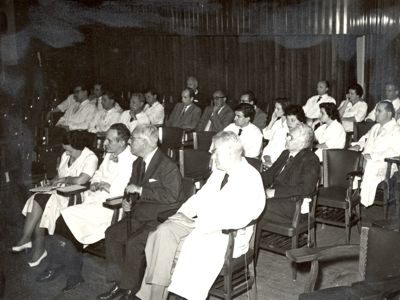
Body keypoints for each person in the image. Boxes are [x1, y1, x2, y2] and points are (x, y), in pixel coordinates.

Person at [136, 131, 265, 300]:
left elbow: (243, 216)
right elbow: (199, 197)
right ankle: (152, 296)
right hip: (199, 223)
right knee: (162, 232)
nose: (211, 156)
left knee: (171, 249)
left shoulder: (250, 177)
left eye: (214, 151)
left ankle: (158, 296)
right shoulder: (220, 172)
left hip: (224, 234)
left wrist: (196, 222)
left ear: (228, 152)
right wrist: (183, 213)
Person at [34, 124, 137, 292]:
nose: (105, 143)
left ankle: (63, 268)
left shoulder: (132, 160)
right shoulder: (110, 154)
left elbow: (121, 189)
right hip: (94, 200)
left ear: (122, 142)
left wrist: (106, 185)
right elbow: (97, 174)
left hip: (110, 207)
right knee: (63, 220)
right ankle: (67, 268)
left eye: (109, 140)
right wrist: (97, 183)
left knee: (64, 218)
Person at [97, 124, 184, 300]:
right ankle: (120, 283)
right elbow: (130, 188)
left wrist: (141, 191)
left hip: (158, 220)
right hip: (138, 215)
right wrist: (127, 201)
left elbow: (172, 196)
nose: (130, 142)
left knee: (134, 243)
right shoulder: (138, 163)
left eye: (133, 139)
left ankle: (130, 290)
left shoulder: (167, 165)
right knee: (112, 234)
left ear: (144, 143)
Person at [14, 131, 98, 267]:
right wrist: (51, 182)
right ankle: (33, 245)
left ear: (79, 147)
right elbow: (59, 176)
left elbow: (82, 180)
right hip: (57, 191)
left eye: (69, 151)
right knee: (38, 199)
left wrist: (65, 180)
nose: (67, 153)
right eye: (65, 150)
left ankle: (30, 242)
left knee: (40, 202)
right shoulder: (65, 155)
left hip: (74, 195)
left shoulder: (90, 158)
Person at [261, 123, 320, 223]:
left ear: (302, 143)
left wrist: (275, 193)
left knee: (253, 205)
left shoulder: (310, 159)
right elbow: (269, 175)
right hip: (277, 200)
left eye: (290, 137)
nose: (286, 138)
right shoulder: (286, 153)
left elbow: (306, 188)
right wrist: (252, 180)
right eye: (288, 134)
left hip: (293, 204)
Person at [350, 101, 400, 207]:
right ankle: (349, 195)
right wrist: (358, 145)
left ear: (389, 114)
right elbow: (365, 138)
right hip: (366, 159)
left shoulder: (396, 130)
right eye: (376, 110)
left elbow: (395, 151)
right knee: (349, 158)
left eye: (379, 111)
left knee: (369, 164)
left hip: (385, 163)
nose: (375, 113)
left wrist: (373, 156)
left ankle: (362, 200)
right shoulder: (376, 127)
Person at [262, 98, 291, 166]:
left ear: (285, 110)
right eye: (275, 108)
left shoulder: (289, 125)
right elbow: (266, 136)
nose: (275, 111)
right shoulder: (277, 122)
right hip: (268, 153)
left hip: (279, 155)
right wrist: (272, 121)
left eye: (278, 109)